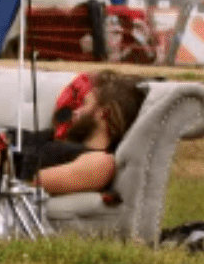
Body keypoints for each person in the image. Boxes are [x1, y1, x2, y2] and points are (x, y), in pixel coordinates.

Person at [11, 70, 147, 197]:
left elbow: (23, 183)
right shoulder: (57, 138)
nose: (75, 111)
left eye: (84, 104)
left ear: (103, 112)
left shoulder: (101, 163)